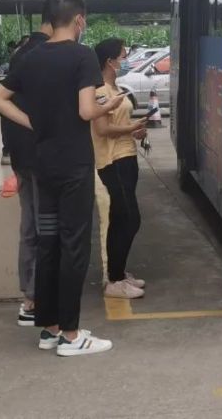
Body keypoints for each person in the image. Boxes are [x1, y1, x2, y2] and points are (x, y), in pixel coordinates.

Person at [0, 0, 121, 357]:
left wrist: (31, 121)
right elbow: (84, 111)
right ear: (79, 21)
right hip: (73, 165)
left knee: (47, 242)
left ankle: (48, 328)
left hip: (42, 162)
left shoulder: (30, 57)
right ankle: (72, 334)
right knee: (74, 246)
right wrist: (107, 104)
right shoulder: (81, 56)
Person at [2, 4, 54, 327]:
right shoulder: (42, 56)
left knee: (30, 225)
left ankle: (31, 296)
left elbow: (3, 100)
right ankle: (34, 298)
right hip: (38, 155)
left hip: (22, 155)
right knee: (41, 226)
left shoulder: (23, 52)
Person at [92, 38, 148, 300]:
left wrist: (136, 131)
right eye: (123, 56)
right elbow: (102, 129)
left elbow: (121, 122)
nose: (126, 60)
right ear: (109, 61)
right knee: (128, 217)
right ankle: (113, 279)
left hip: (127, 156)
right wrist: (130, 128)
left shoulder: (116, 87)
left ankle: (119, 272)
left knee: (124, 216)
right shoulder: (100, 90)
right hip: (112, 161)